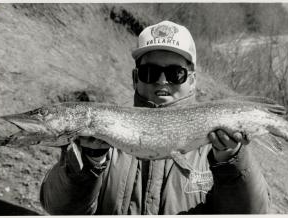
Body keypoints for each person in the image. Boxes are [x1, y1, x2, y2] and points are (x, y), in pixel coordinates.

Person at [40, 20, 271, 215]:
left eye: (175, 73)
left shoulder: (219, 147)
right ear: (135, 78)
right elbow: (58, 208)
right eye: (149, 72)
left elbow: (253, 213)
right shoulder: (103, 139)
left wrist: (231, 162)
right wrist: (88, 164)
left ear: (192, 79)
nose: (162, 81)